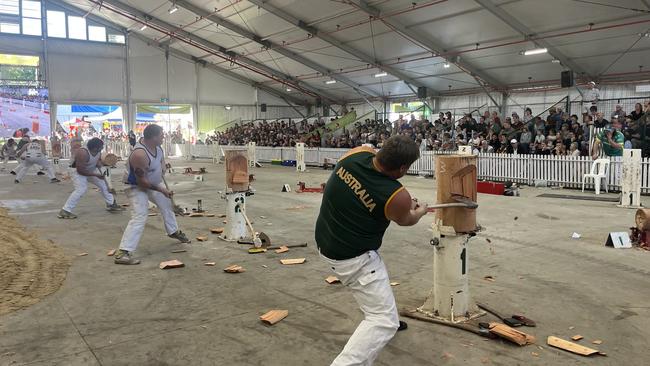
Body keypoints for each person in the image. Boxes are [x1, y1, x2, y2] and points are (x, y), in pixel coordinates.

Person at [315, 135, 428, 366]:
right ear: (403, 168)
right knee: (382, 320)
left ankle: (391, 316)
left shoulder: (356, 154)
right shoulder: (397, 195)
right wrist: (421, 210)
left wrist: (405, 204)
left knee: (382, 287)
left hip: (326, 238)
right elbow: (406, 219)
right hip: (354, 259)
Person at [114, 124, 190, 265]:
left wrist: (162, 168)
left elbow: (160, 161)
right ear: (153, 137)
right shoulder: (139, 154)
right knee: (140, 215)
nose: (164, 137)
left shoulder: (158, 148)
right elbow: (142, 182)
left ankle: (173, 231)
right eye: (161, 135)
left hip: (153, 184)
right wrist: (162, 190)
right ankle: (123, 252)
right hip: (136, 187)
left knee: (167, 204)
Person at [58, 138, 122, 219]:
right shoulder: (82, 153)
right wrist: (95, 175)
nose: (102, 148)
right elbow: (81, 171)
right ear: (95, 147)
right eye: (101, 147)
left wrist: (100, 168)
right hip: (77, 171)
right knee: (81, 189)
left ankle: (111, 204)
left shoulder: (98, 151)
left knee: (103, 184)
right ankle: (65, 210)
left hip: (90, 169)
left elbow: (97, 161)